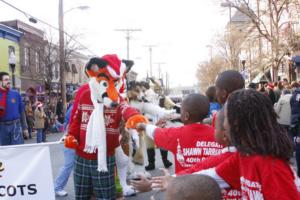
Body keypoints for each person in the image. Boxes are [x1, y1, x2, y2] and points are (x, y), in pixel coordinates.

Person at [65, 55, 147, 199]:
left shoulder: (116, 98)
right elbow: (76, 118)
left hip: (105, 157)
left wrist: (134, 117)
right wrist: (71, 135)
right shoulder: (84, 94)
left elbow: (125, 108)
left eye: (113, 82)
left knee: (106, 196)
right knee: (81, 195)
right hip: (81, 155)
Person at [200, 89, 300, 199]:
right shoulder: (244, 155)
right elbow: (211, 176)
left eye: (226, 118)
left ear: (236, 123)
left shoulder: (271, 166)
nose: (224, 124)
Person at [138, 93, 223, 173]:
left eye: (181, 111)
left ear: (186, 116)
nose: (179, 114)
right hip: (212, 186)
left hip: (183, 185)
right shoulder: (218, 135)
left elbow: (156, 132)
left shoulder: (176, 134)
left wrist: (144, 126)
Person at [54, 91, 77, 197]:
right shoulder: (73, 109)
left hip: (71, 139)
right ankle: (58, 187)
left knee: (72, 165)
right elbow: (68, 127)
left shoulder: (73, 108)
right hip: (70, 140)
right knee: (68, 165)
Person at [0, 72, 28, 145]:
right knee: (4, 152)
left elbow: (21, 111)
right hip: (2, 128)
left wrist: (25, 128)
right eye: (6, 80)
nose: (8, 81)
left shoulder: (16, 94)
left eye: (9, 79)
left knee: (17, 151)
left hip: (16, 126)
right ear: (0, 82)